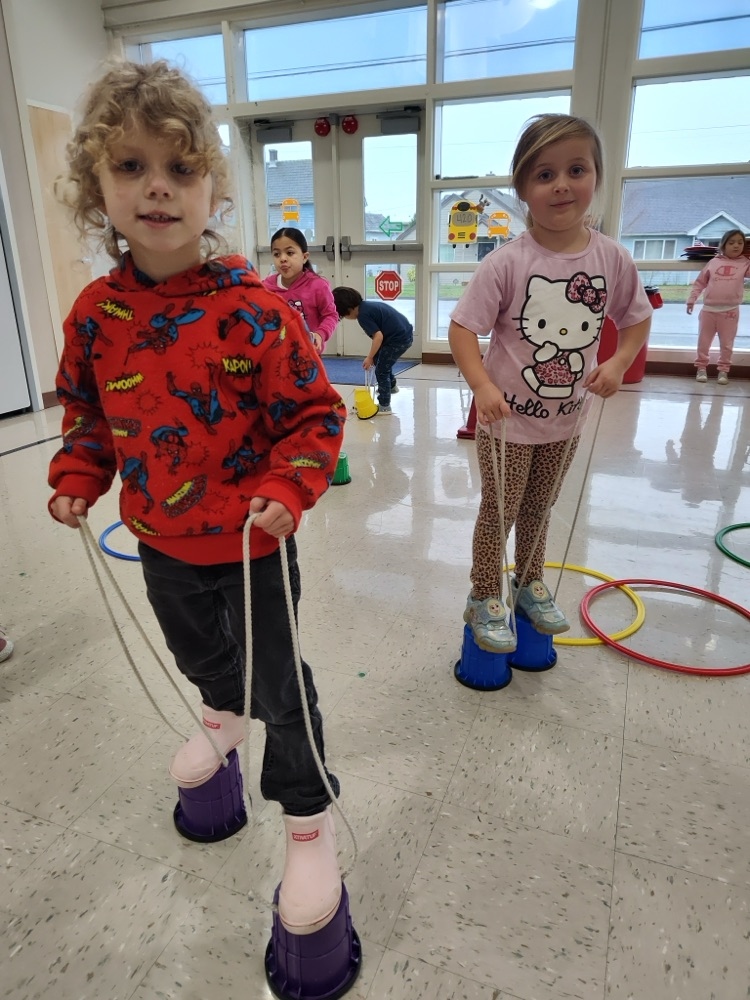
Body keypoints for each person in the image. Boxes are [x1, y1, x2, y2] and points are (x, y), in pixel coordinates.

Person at [47, 60, 347, 937]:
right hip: (160, 539)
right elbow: (87, 417)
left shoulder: (255, 308)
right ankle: (222, 716)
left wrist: (292, 487)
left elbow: (313, 414)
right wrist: (76, 478)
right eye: (131, 167)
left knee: (282, 688)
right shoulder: (94, 316)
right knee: (197, 654)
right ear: (96, 188)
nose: (157, 189)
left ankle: (306, 819)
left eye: (181, 169)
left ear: (213, 189)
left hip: (253, 542)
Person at [448, 113, 652, 653]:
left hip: (565, 423)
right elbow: (462, 329)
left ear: (596, 177)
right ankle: (483, 594)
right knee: (500, 511)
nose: (562, 184)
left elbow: (635, 317)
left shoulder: (611, 258)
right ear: (522, 189)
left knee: (541, 509)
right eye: (544, 175)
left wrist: (619, 362)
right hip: (507, 425)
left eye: (576, 169)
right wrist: (481, 386)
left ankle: (527, 583)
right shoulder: (505, 263)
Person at [332, 286, 413, 414]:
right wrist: (374, 357)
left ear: (347, 310)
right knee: (382, 361)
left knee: (381, 370)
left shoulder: (363, 316)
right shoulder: (367, 306)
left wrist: (369, 357)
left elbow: (378, 336)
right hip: (403, 335)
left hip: (397, 340)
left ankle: (384, 406)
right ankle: (391, 386)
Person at [687, 228, 750, 385]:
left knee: (727, 344)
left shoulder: (745, 264)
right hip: (709, 311)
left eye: (740, 243)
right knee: (704, 342)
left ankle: (723, 371)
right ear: (723, 245)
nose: (736, 246)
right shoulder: (714, 262)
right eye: (732, 242)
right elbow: (700, 282)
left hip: (730, 312)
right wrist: (692, 299)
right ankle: (701, 368)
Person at [262, 227, 338, 354]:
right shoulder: (266, 287)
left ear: (304, 257)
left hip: (308, 354)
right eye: (277, 254)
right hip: (276, 355)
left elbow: (330, 315)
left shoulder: (318, 286)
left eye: (290, 253)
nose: (283, 259)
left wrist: (320, 335)